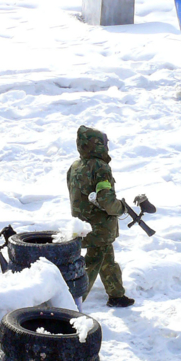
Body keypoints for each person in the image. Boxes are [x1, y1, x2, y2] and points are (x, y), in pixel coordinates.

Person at [67, 125, 134, 307]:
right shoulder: (101, 168)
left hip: (83, 223)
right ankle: (71, 305)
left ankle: (117, 295)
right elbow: (107, 200)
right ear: (96, 145)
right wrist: (121, 208)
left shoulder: (75, 166)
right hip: (99, 227)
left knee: (107, 259)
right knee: (93, 262)